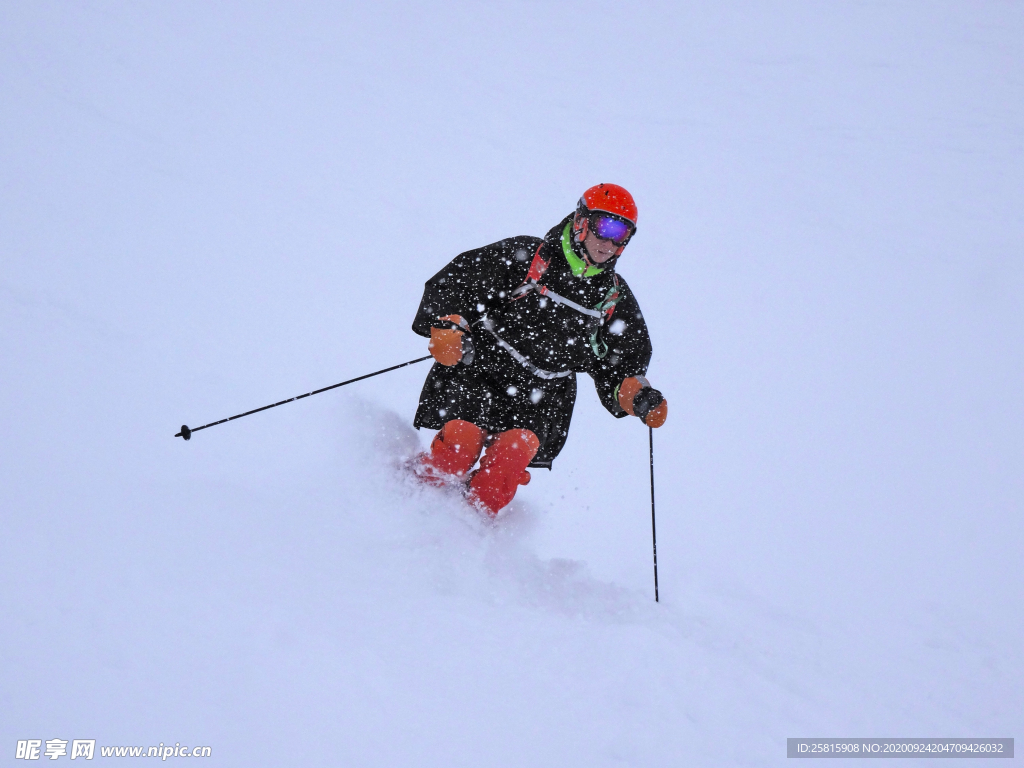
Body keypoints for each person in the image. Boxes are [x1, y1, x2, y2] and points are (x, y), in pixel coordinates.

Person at [411, 184, 667, 515]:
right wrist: (448, 325)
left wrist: (635, 394)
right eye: (605, 227)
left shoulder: (612, 297)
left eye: (622, 234)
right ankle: (407, 508)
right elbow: (457, 282)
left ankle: (462, 543)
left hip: (542, 395)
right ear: (581, 222)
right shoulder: (528, 257)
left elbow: (620, 363)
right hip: (483, 370)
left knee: (500, 476)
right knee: (456, 450)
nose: (610, 243)